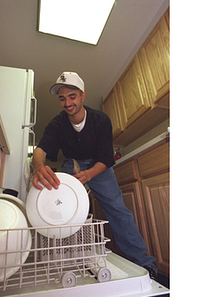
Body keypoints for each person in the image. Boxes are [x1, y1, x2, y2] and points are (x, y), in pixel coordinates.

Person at [32, 71, 157, 278]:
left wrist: (89, 174)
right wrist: (38, 166)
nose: (67, 102)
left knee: (118, 210)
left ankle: (144, 264)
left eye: (72, 96)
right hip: (71, 165)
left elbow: (107, 159)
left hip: (99, 167)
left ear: (83, 96)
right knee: (63, 209)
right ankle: (65, 262)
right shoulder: (57, 124)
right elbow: (40, 150)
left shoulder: (101, 120)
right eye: (62, 98)